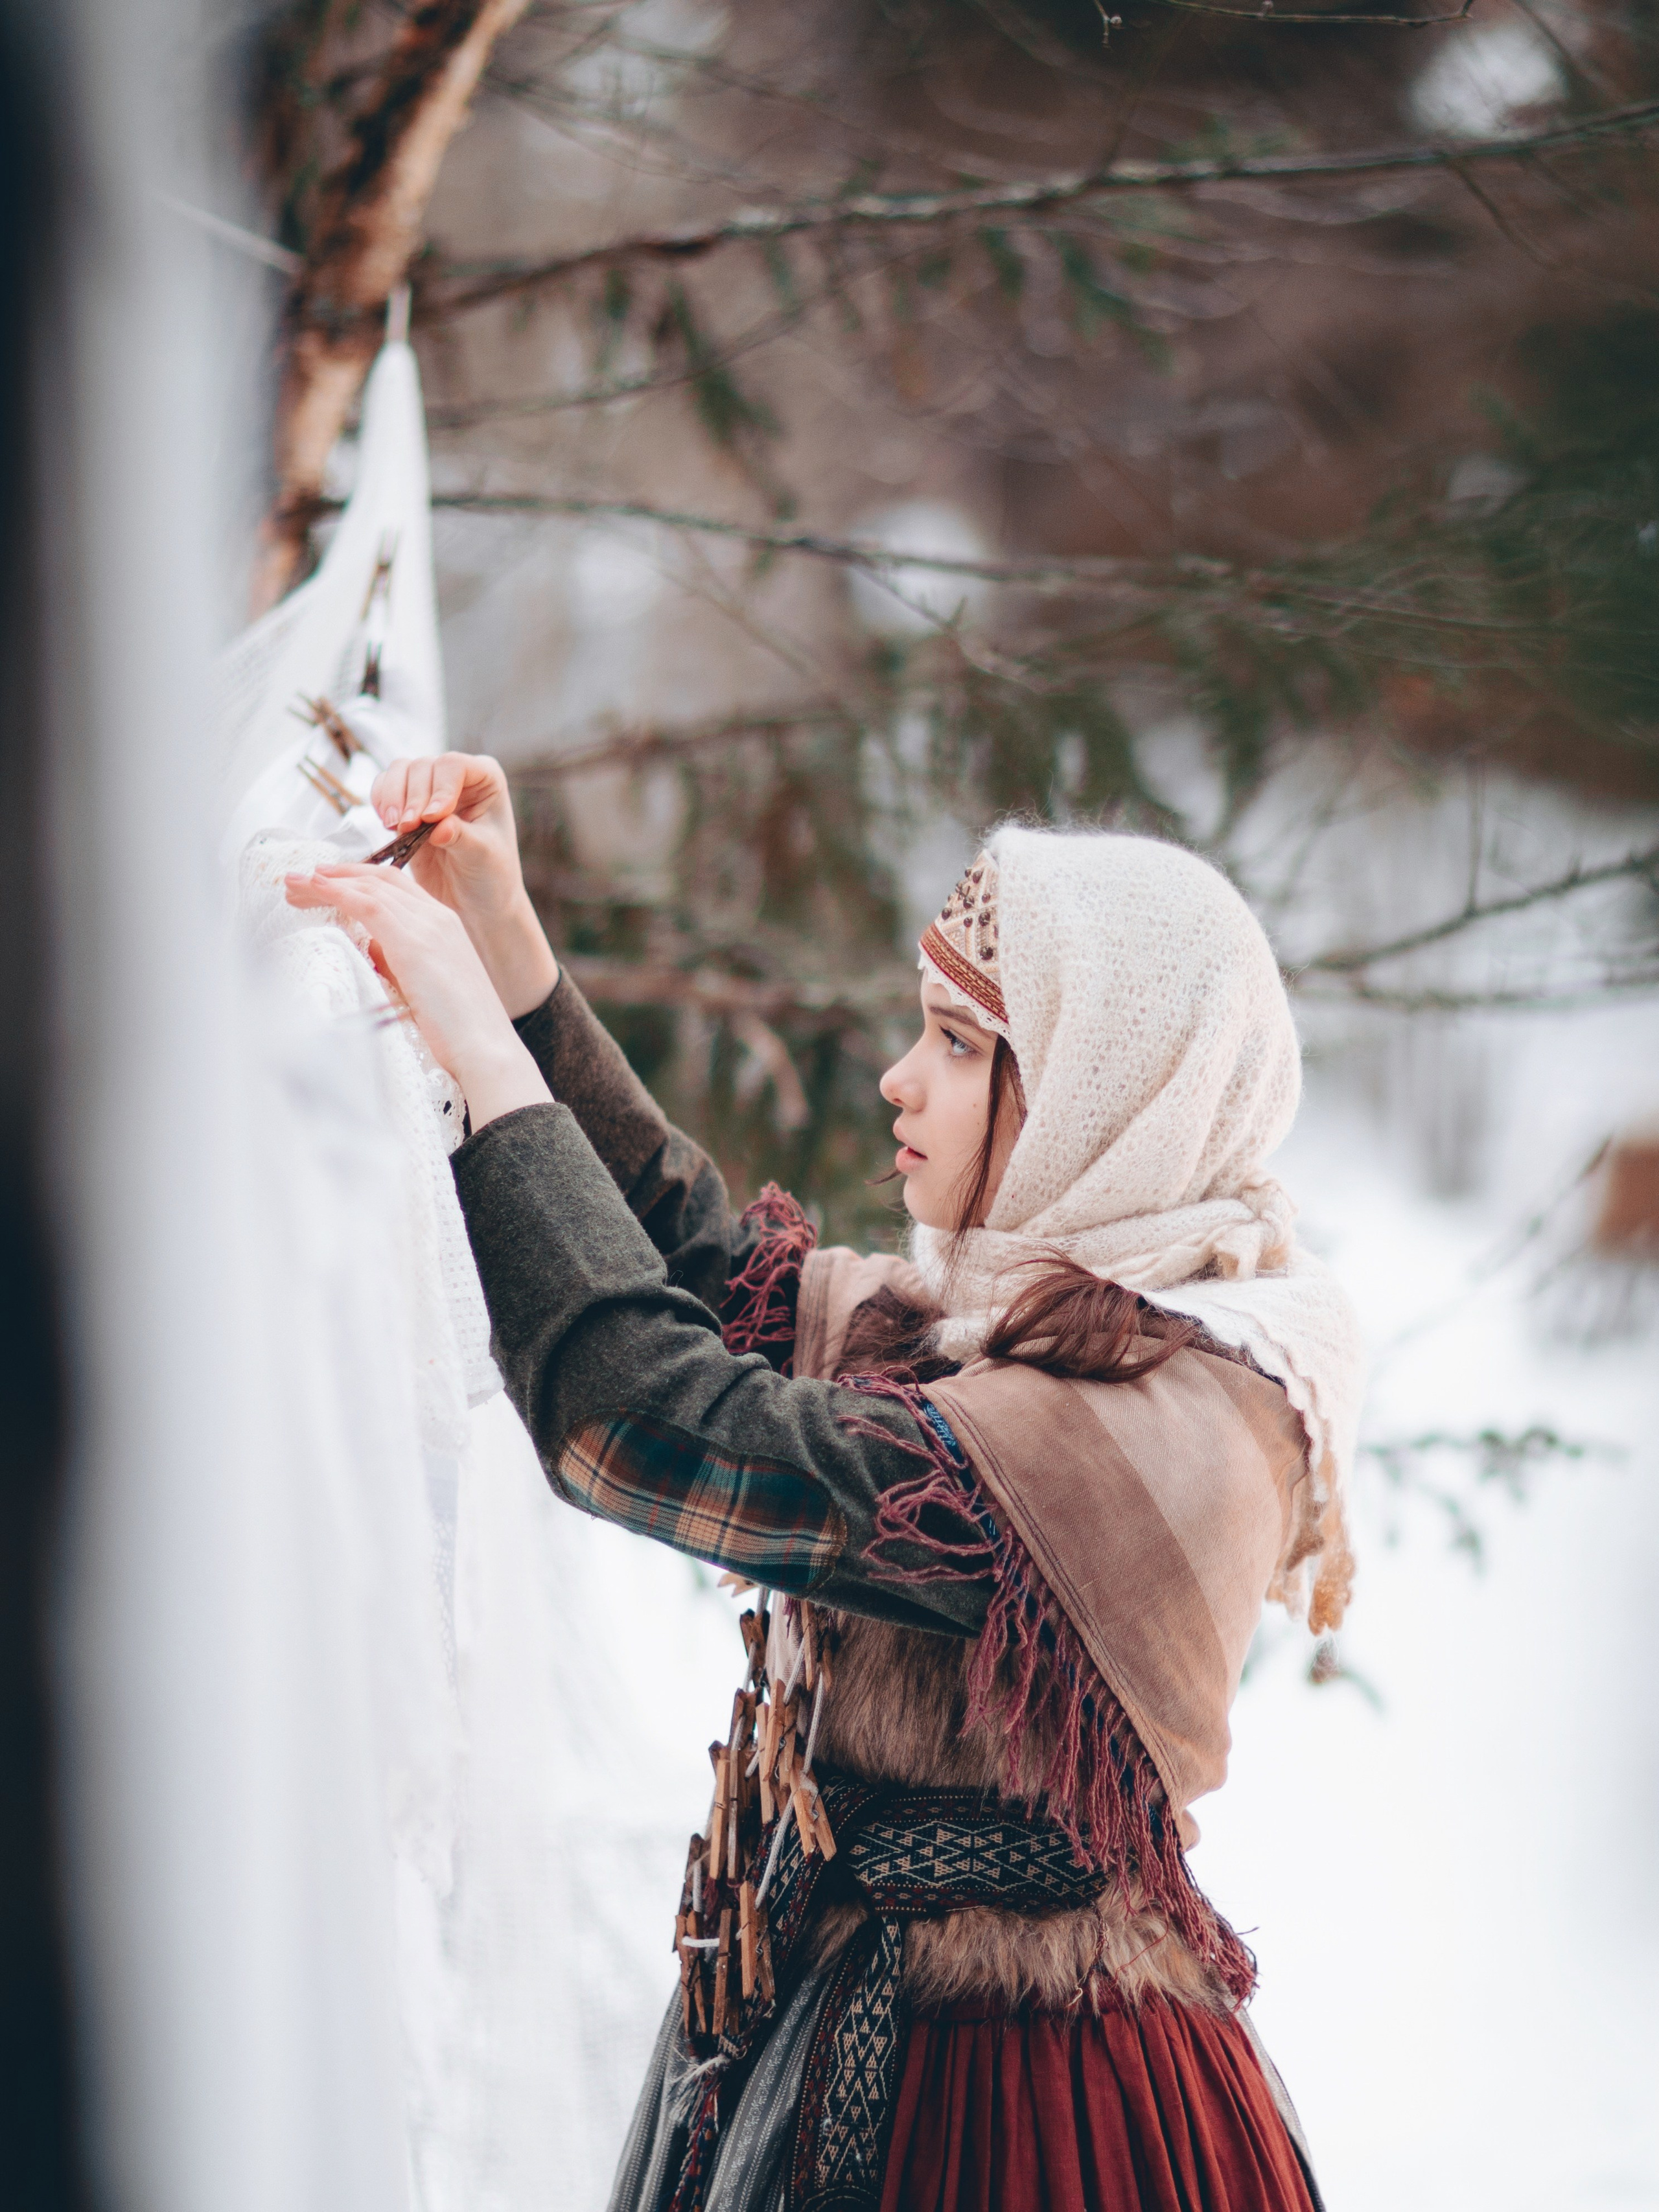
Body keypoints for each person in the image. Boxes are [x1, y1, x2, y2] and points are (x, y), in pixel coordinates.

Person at [285, 754, 1364, 2212]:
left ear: (1096, 1097)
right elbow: (709, 1273)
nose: (896, 1077)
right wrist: (510, 952)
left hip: (1023, 2105)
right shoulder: (1017, 1333)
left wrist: (479, 1053)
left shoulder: (1154, 1424)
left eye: (956, 1045)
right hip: (869, 2012)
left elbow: (647, 1425)